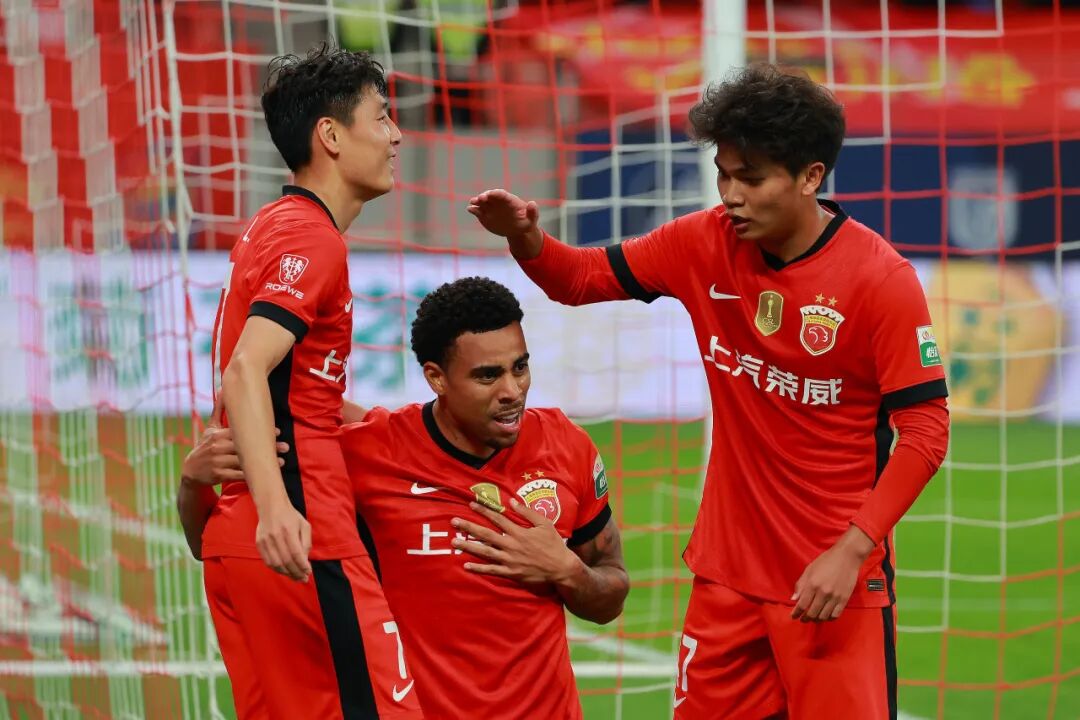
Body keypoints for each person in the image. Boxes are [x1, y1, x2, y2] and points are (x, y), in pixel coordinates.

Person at [467, 63, 950, 720]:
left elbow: (926, 430)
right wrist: (526, 237)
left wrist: (853, 551)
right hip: (726, 577)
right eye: (723, 174)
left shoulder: (880, 280)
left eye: (751, 178)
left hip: (831, 583)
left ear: (810, 177)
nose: (730, 195)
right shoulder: (703, 242)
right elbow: (579, 279)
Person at [180, 277, 629, 720]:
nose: (512, 391)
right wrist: (192, 484)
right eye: (487, 375)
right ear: (436, 377)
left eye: (520, 367)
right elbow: (212, 545)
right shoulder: (369, 453)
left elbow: (610, 597)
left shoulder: (566, 447)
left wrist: (567, 570)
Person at [177, 43, 420, 719]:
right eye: (381, 116)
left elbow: (294, 389)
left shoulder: (268, 225)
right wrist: (278, 510)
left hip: (237, 544)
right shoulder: (313, 238)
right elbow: (247, 368)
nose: (396, 134)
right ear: (331, 136)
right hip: (301, 533)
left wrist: (390, 428)